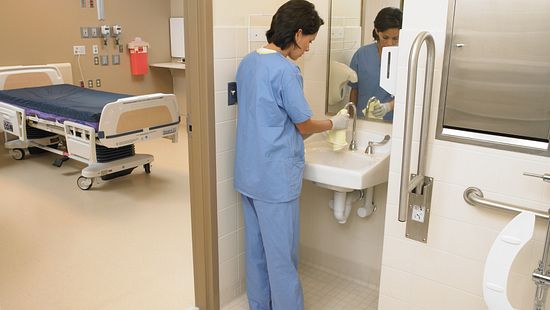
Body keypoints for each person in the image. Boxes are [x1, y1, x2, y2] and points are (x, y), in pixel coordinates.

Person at [234, 1, 350, 309]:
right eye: (310, 41)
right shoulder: (285, 71)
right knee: (282, 256)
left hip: (249, 174)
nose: (309, 49)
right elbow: (303, 125)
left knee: (257, 251)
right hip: (274, 180)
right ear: (298, 34)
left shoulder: (247, 62)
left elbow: (267, 119)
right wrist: (334, 123)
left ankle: (260, 305)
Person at [349, 7, 402, 120]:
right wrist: (351, 118)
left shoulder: (404, 59)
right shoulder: (362, 54)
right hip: (363, 121)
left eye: (395, 38)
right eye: (385, 37)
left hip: (391, 123)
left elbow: (409, 95)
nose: (390, 43)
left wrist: (388, 106)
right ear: (377, 31)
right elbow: (354, 90)